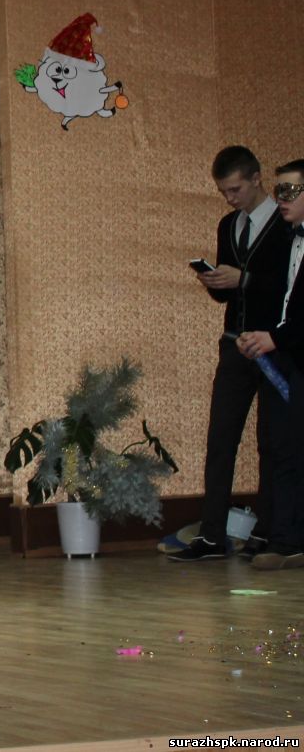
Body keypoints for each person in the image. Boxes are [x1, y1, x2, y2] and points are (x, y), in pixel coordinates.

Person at [176, 146, 294, 561]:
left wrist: (244, 279)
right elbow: (229, 293)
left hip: (274, 347)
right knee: (221, 438)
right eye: (224, 191)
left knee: (271, 441)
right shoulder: (228, 225)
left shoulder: (286, 224)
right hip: (234, 343)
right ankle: (212, 536)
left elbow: (287, 288)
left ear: (257, 178)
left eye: (236, 189)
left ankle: (267, 530)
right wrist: (217, 282)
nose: (230, 199)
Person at [236, 159, 304, 570]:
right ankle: (284, 538)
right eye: (279, 191)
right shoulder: (287, 240)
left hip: (294, 353)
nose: (282, 198)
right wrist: (260, 337)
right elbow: (284, 303)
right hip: (287, 357)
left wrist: (275, 338)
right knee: (280, 446)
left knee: (294, 447)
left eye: (291, 191)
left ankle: (289, 539)